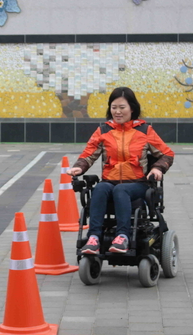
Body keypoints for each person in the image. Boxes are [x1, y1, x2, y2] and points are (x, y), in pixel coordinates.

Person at [67, 87, 174, 255]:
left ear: (132, 108)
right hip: (109, 181)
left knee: (121, 189)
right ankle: (93, 238)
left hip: (138, 184)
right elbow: (89, 154)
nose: (117, 111)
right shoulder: (103, 131)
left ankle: (122, 236)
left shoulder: (145, 131)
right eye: (114, 107)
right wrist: (79, 167)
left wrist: (157, 168)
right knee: (100, 188)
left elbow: (167, 154)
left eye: (122, 107)